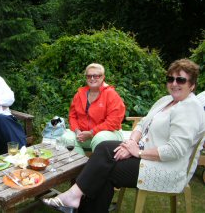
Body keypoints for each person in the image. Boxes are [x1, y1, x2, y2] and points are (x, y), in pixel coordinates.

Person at [42, 59, 205, 213]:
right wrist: (131, 143)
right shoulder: (166, 100)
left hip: (165, 167)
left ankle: (74, 197)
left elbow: (175, 150)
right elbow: (142, 124)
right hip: (144, 153)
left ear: (192, 85)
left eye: (181, 80)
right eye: (171, 79)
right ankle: (74, 198)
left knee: (105, 170)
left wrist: (138, 152)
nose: (174, 84)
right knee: (105, 149)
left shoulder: (189, 108)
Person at [61, 63, 125, 155]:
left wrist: (91, 132)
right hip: (84, 135)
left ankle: (97, 167)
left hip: (109, 134)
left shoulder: (111, 94)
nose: (92, 78)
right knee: (66, 138)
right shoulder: (79, 94)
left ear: (103, 77)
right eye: (89, 76)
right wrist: (77, 131)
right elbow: (72, 116)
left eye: (96, 76)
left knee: (99, 138)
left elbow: (113, 122)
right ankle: (80, 165)